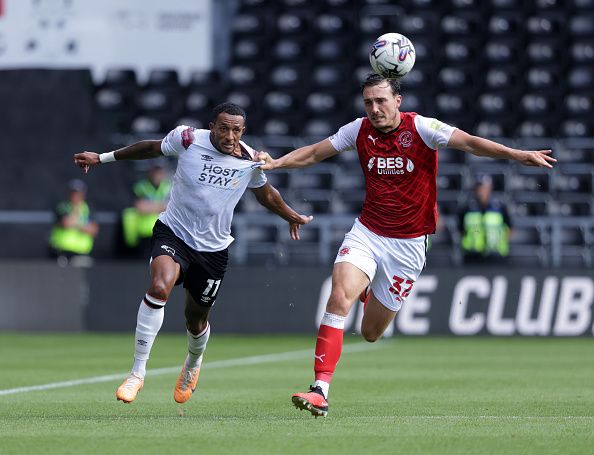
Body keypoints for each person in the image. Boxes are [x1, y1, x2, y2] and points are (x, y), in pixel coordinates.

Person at [256, 73, 556, 417]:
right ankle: (320, 390)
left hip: (409, 246)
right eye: (368, 101)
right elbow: (313, 153)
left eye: (381, 101)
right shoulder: (358, 130)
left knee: (370, 332)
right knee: (339, 296)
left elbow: (471, 142)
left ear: (398, 101)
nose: (374, 108)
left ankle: (369, 292)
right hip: (367, 232)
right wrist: (277, 162)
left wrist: (517, 155)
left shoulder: (423, 128)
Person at [73, 102, 313, 404]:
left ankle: (193, 363)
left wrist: (291, 215)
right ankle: (137, 373)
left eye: (236, 130)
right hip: (173, 232)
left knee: (195, 321)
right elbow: (151, 148)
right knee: (159, 287)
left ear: (243, 131)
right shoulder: (187, 139)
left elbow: (266, 194)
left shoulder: (250, 160)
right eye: (223, 128)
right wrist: (102, 158)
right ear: (212, 126)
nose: (229, 135)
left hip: (213, 250)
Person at [458, 173, 512, 264]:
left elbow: (510, 228)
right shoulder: (467, 207)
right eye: (479, 187)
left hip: (496, 255)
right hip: (472, 255)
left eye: (483, 187)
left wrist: (501, 241)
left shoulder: (500, 207)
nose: (481, 191)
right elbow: (460, 230)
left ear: (489, 188)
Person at [121, 163, 172, 257]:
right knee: (129, 214)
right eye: (155, 172)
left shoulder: (169, 186)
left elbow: (173, 207)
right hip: (146, 231)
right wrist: (161, 206)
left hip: (165, 231)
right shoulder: (141, 186)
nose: (157, 175)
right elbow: (140, 207)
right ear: (150, 172)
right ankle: (131, 246)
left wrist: (150, 206)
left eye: (159, 172)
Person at [49, 178, 99, 261]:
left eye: (78, 193)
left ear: (83, 194)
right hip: (61, 252)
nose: (75, 196)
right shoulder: (63, 206)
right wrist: (84, 225)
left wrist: (75, 223)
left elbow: (94, 230)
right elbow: (65, 223)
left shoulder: (88, 208)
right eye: (73, 193)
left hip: (82, 252)